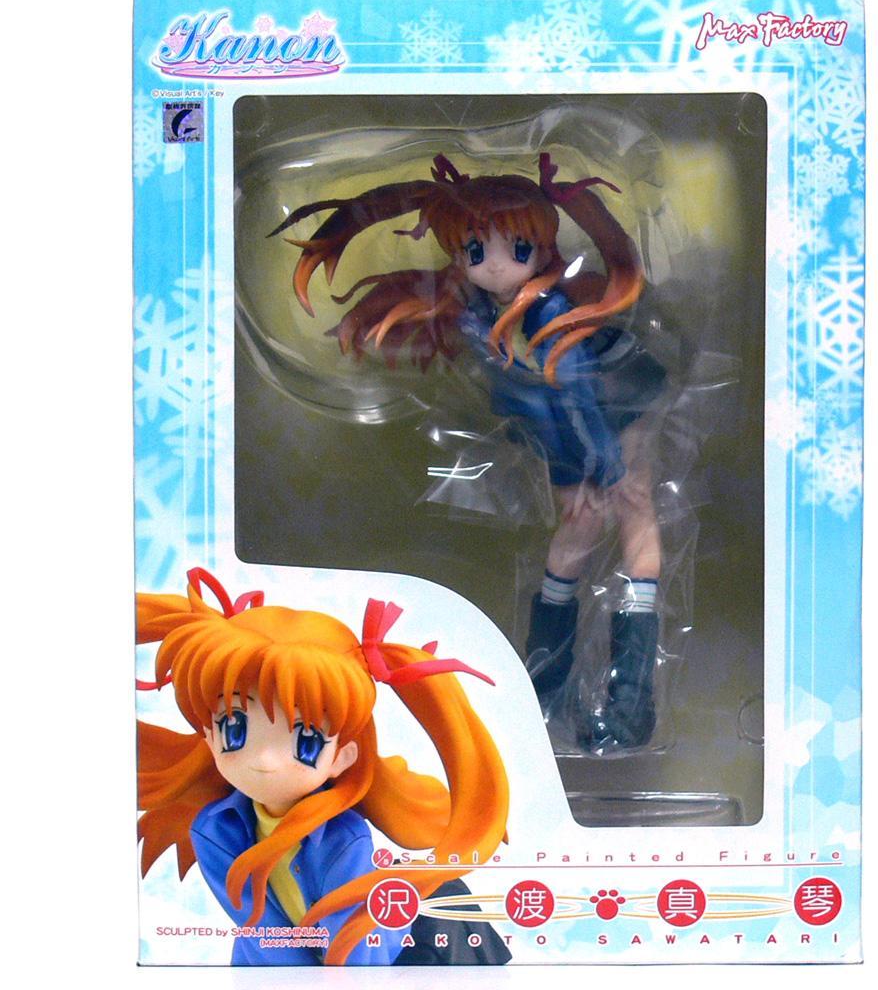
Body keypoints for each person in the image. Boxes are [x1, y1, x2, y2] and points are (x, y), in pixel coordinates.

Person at [273, 152, 667, 751]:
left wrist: (604, 471)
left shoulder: (554, 313)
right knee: (575, 535)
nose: (494, 266)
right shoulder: (477, 316)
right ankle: (546, 687)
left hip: (623, 402)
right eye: (475, 252)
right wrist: (569, 474)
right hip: (564, 427)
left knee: (634, 513)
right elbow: (530, 402)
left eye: (517, 249)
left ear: (543, 246)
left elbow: (582, 399)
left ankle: (631, 704)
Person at [137, 567, 510, 965]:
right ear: (210, 737)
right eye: (235, 728)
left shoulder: (343, 839)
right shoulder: (214, 830)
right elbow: (257, 930)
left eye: (306, 740)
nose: (265, 759)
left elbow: (359, 952)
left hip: (392, 959)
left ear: (342, 757)